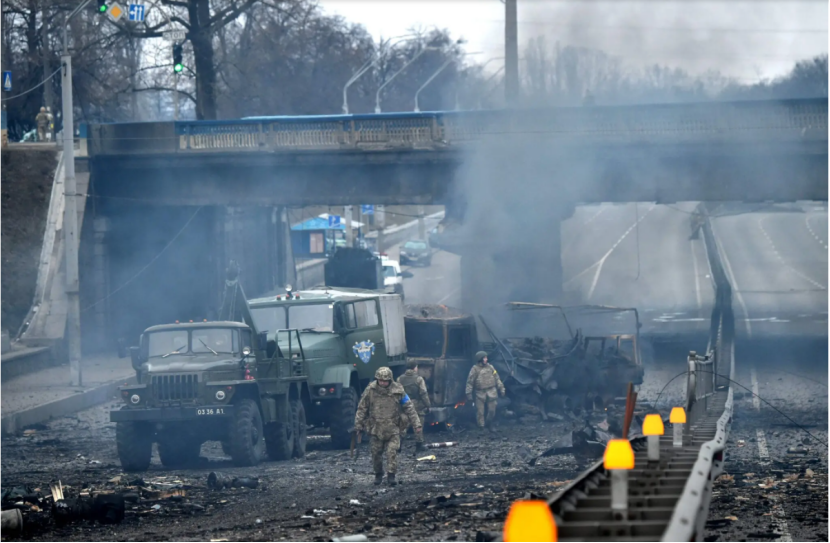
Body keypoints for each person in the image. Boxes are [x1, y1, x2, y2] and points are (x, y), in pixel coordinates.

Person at [354, 367, 422, 486]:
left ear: (390, 380)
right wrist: (358, 425)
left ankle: (391, 475)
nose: (383, 383)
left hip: (393, 428)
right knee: (376, 454)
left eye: (385, 381)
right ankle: (378, 474)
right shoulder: (370, 390)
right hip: (376, 428)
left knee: (392, 452)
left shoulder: (398, 390)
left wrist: (417, 424)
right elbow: (362, 408)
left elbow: (409, 407)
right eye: (380, 380)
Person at [466, 351, 506, 433]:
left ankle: (489, 423)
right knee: (480, 412)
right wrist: (469, 394)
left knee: (492, 410)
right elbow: (470, 382)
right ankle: (481, 427)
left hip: (491, 391)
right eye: (484, 358)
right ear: (480, 359)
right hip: (480, 393)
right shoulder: (474, 369)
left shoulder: (491, 367)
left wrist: (502, 389)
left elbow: (497, 378)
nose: (486, 359)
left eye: (486, 358)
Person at [396, 360, 431, 453]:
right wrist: (428, 405)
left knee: (404, 424)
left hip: (404, 404)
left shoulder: (400, 379)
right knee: (418, 423)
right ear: (415, 368)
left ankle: (398, 445)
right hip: (417, 405)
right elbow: (423, 393)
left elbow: (396, 392)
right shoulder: (419, 379)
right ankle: (419, 445)